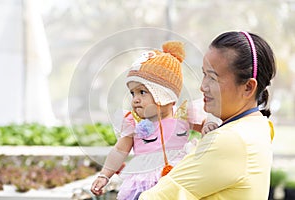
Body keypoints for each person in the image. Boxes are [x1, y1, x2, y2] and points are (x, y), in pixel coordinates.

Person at [139, 31, 276, 199]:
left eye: (213, 78)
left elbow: (155, 197)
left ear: (248, 87)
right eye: (204, 74)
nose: (203, 87)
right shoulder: (258, 126)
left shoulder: (230, 140)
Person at [90, 41, 219, 200]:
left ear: (165, 95)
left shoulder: (184, 116)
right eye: (132, 93)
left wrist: (209, 125)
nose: (135, 100)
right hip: (143, 184)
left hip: (176, 177)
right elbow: (119, 151)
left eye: (142, 92)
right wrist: (104, 175)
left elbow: (207, 128)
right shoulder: (134, 123)